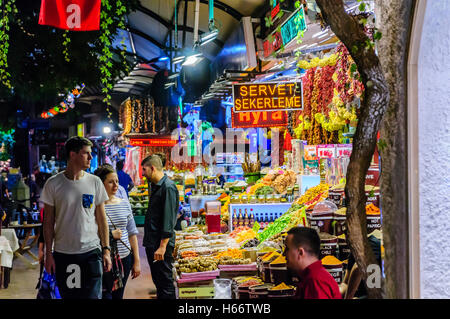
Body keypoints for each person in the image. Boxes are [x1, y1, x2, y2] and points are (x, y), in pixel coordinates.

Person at [41, 136, 112, 299]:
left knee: (93, 296)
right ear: (72, 155)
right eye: (86, 153)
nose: (91, 157)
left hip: (91, 252)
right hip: (64, 253)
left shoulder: (95, 182)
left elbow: (102, 219)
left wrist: (106, 250)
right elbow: (48, 222)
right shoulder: (53, 184)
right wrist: (48, 254)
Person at [94, 165, 141, 299]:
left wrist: (136, 261)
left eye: (117, 181)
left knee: (118, 296)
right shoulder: (95, 207)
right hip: (102, 259)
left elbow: (132, 233)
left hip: (124, 259)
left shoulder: (124, 203)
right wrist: (110, 235)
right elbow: (88, 233)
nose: (115, 185)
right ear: (101, 183)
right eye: (110, 182)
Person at [141, 154, 179, 299]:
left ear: (152, 168)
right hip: (153, 242)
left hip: (160, 245)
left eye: (144, 170)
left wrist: (162, 246)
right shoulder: (155, 186)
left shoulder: (168, 187)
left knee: (165, 283)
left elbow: (168, 219)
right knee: (159, 282)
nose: (143, 174)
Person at [284, 227, 341, 299]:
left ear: (300, 252)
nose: (284, 254)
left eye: (287, 249)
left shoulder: (315, 282)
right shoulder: (311, 277)